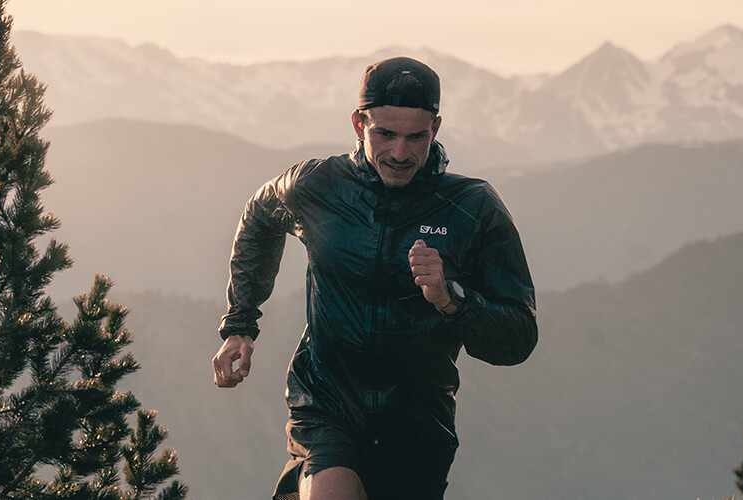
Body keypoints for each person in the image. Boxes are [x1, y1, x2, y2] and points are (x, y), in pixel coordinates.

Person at [211, 56, 538, 500]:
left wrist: (451, 299)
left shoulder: (473, 208)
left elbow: (518, 338)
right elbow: (260, 216)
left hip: (419, 426)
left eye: (415, 137)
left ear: (435, 129)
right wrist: (241, 323)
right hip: (327, 409)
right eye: (385, 134)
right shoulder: (318, 186)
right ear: (357, 123)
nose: (400, 153)